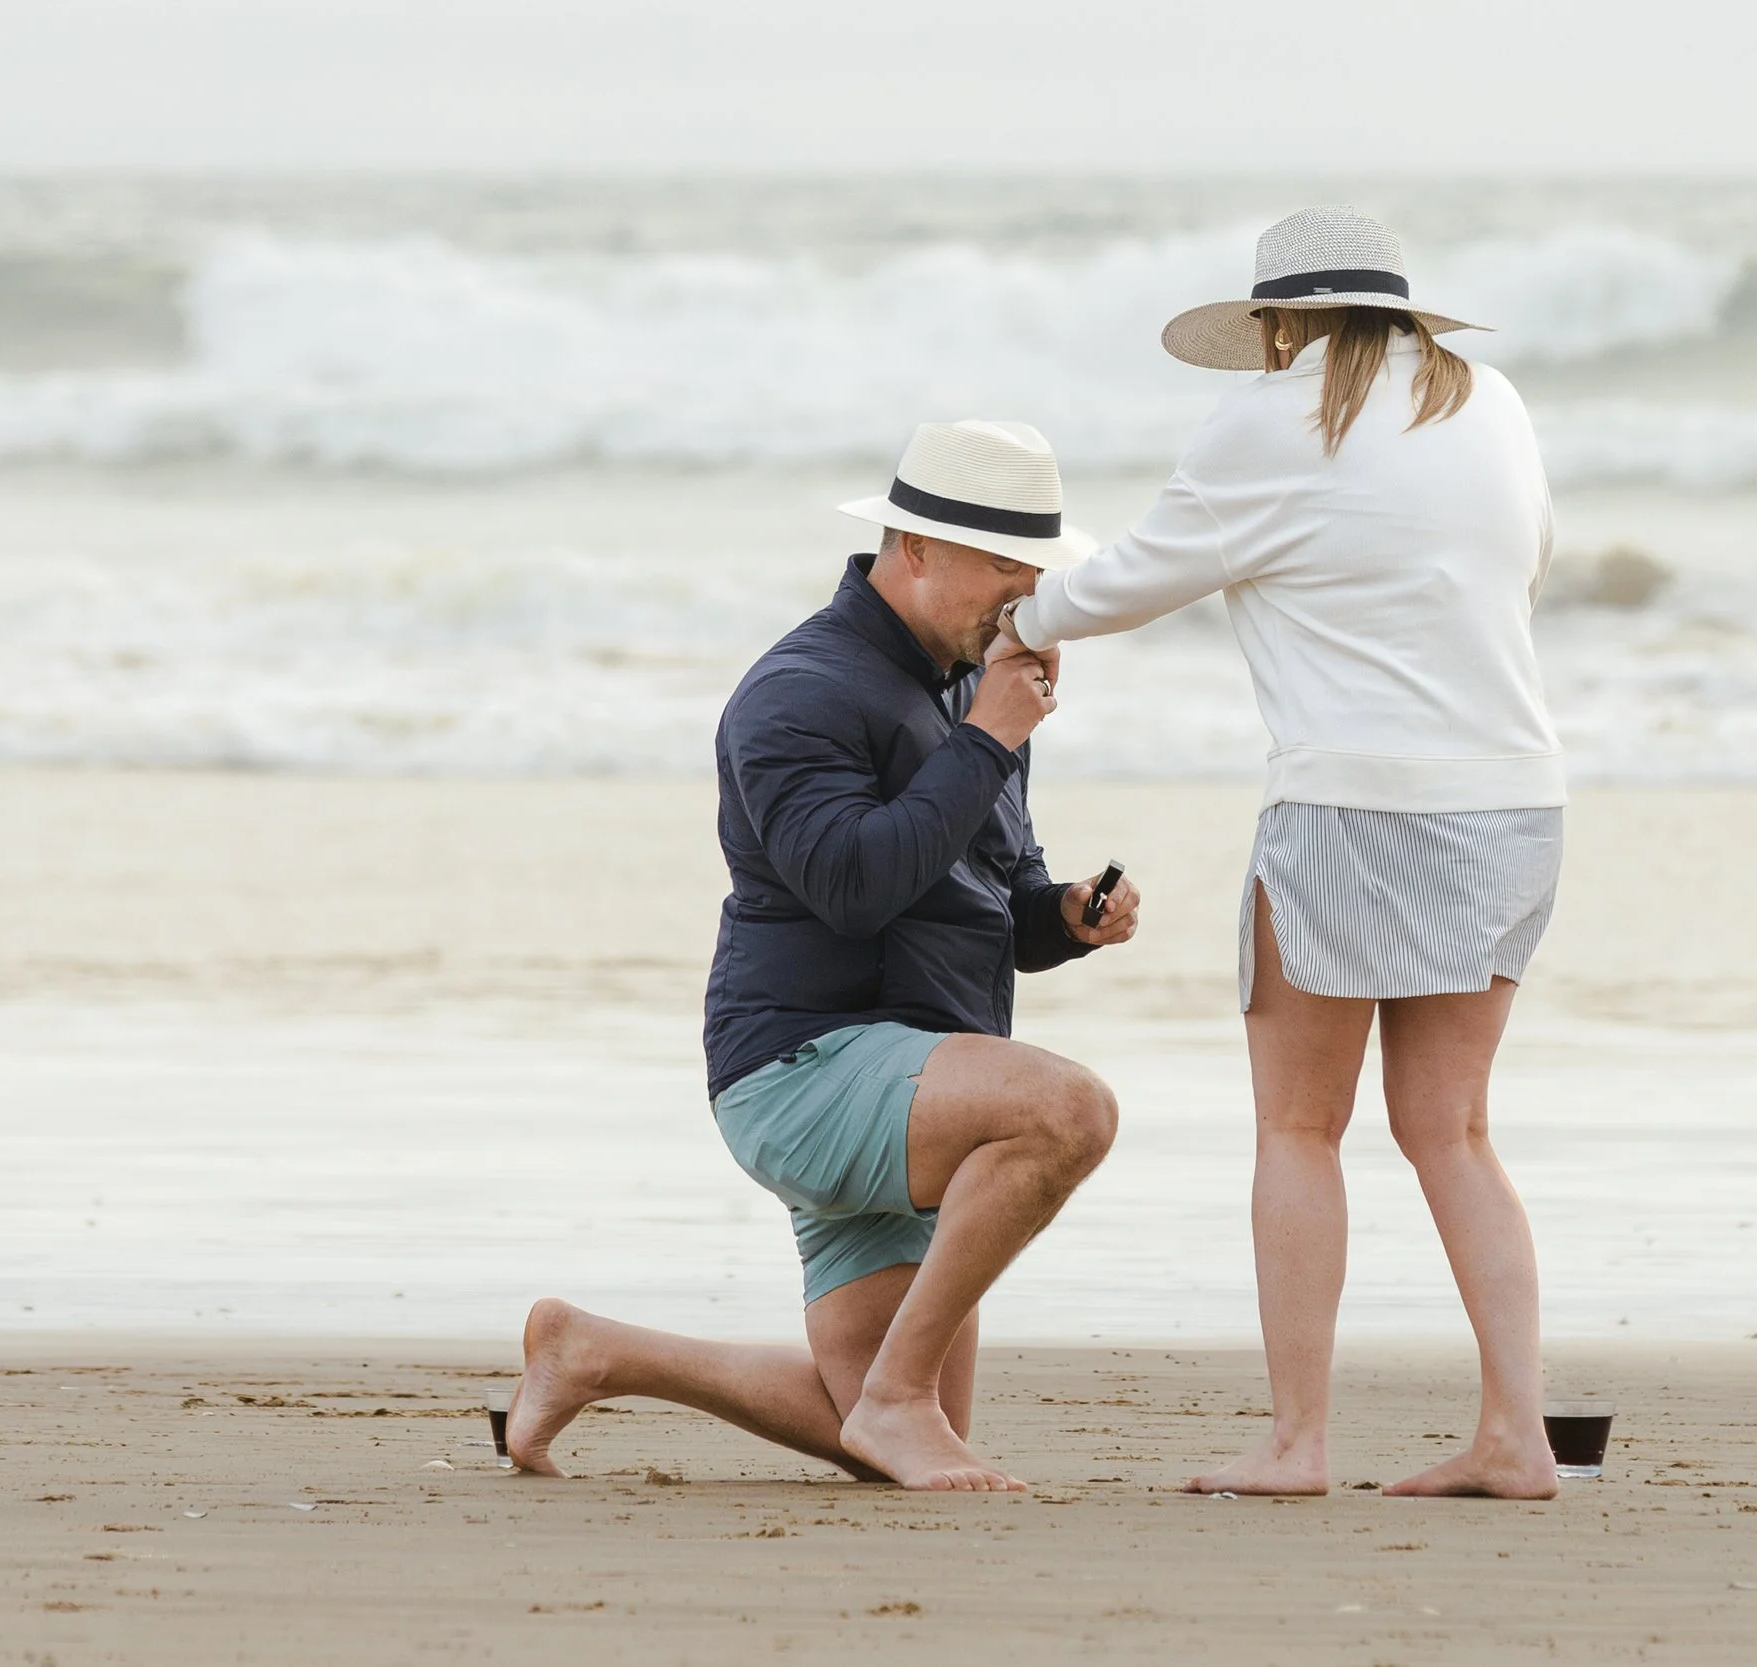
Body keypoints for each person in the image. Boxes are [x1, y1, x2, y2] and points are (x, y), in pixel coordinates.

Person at [1003, 207, 1564, 1499]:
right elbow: (1526, 560)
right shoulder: (1491, 402)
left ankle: (1299, 1440)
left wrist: (1016, 619)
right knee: (1456, 1128)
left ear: (1276, 326)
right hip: (1515, 798)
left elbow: (1133, 580)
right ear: (1405, 314)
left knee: (1301, 1125)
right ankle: (1516, 1434)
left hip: (1349, 805)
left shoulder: (1272, 420)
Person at [508, 419, 1140, 1492]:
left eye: (1035, 569)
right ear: (916, 547)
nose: (1023, 593)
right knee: (1068, 1111)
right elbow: (849, 887)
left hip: (917, 1073)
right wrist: (990, 737)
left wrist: (1064, 915)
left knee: (896, 1429)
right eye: (1001, 565)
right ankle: (893, 1394)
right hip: (800, 1066)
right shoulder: (798, 689)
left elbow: (987, 891)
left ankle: (591, 1349)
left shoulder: (966, 684)